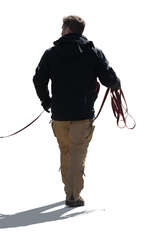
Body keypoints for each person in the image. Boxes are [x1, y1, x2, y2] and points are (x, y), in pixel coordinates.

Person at [33, 15, 121, 207]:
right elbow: (108, 78)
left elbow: (38, 79)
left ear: (67, 29)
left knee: (66, 152)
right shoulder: (93, 52)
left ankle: (69, 191)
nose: (60, 30)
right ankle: (74, 195)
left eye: (62, 27)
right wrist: (116, 83)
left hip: (60, 115)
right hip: (82, 114)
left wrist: (46, 101)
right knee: (77, 154)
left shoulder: (51, 53)